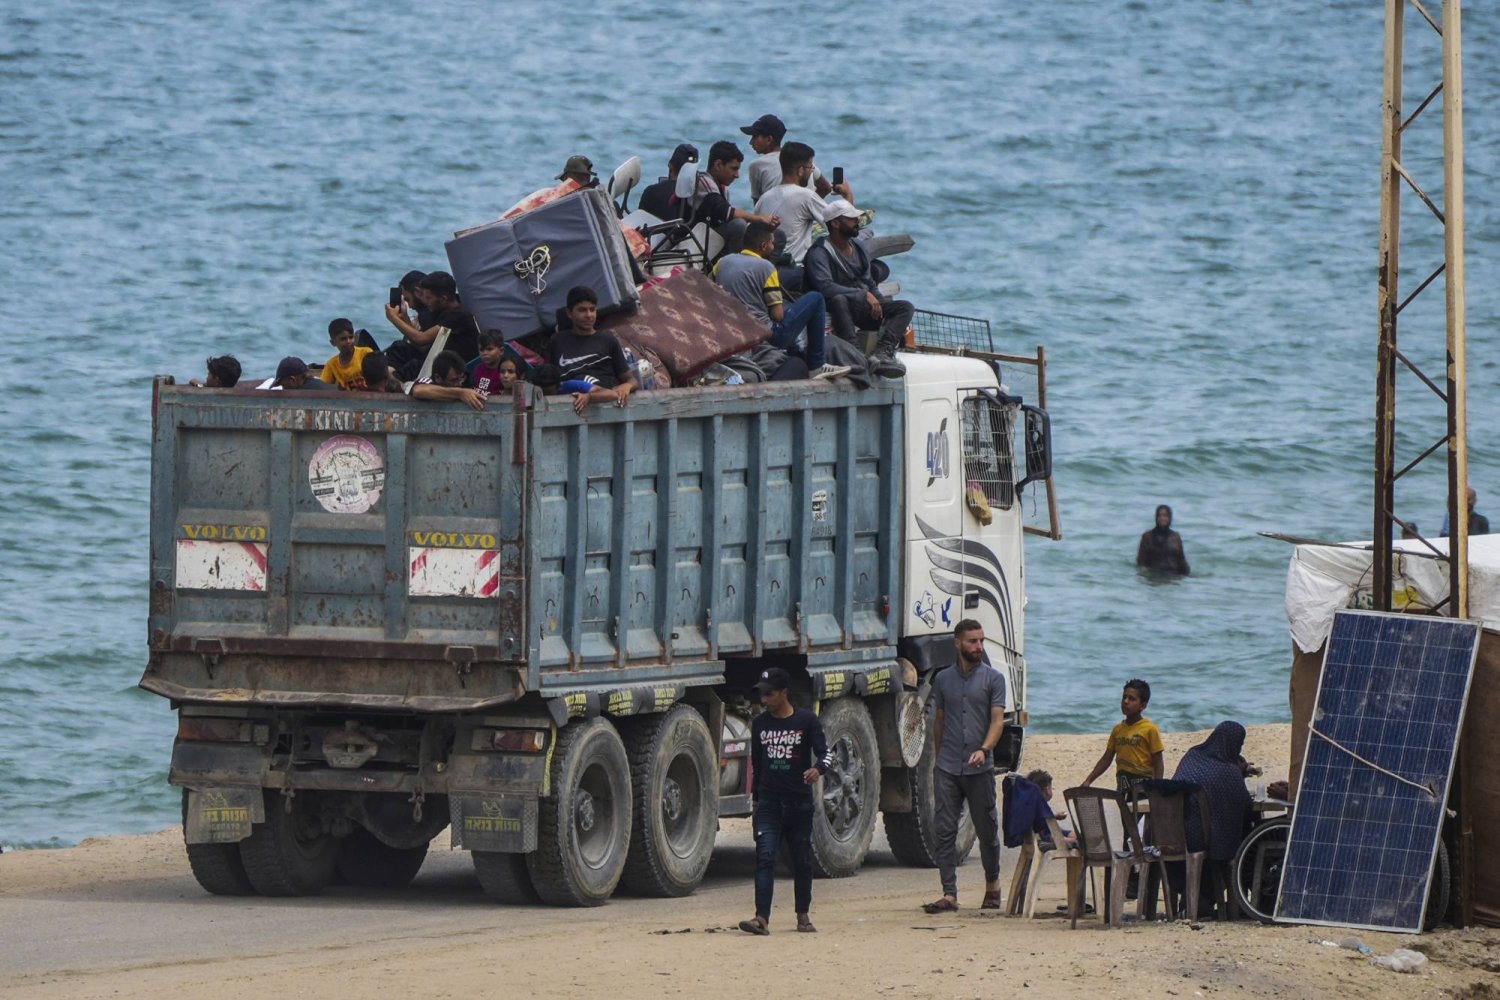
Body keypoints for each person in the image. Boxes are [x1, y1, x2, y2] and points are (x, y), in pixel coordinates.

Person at [921, 619, 1006, 914]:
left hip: (979, 768)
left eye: (981, 640)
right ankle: (949, 893)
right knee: (943, 830)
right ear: (957, 643)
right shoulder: (943, 679)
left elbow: (997, 721)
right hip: (947, 767)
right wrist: (938, 758)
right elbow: (939, 720)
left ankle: (993, 886)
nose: (978, 646)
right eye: (972, 641)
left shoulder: (994, 679)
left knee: (986, 830)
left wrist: (985, 749)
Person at [739, 666, 831, 936]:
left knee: (801, 860)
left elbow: (826, 754)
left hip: (799, 804)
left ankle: (803, 915)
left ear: (783, 693)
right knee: (764, 858)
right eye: (761, 695)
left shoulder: (807, 722)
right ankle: (761, 918)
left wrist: (818, 770)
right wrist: (756, 803)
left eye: (769, 694)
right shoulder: (760, 725)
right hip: (769, 804)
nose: (764, 700)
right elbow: (757, 765)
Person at [712, 222, 850, 381]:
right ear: (763, 246)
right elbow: (777, 316)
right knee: (815, 298)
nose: (774, 246)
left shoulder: (723, 262)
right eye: (771, 242)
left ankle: (798, 355)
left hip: (732, 328)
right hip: (765, 334)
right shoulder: (766, 267)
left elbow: (711, 288)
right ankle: (816, 365)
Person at [804, 200, 911, 378]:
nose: (857, 223)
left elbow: (867, 281)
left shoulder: (858, 247)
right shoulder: (819, 252)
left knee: (905, 307)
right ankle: (856, 353)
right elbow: (825, 286)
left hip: (863, 307)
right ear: (836, 223)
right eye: (852, 219)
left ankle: (883, 352)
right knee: (839, 300)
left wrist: (878, 300)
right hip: (840, 308)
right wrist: (862, 295)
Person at [1171, 721, 1253, 915]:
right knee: (1241, 836)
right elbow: (1245, 806)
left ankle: (1193, 900)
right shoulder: (1229, 771)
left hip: (1173, 835)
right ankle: (1236, 901)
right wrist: (1240, 774)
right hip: (1205, 842)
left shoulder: (1192, 755)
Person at [754, 142, 851, 266]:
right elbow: (842, 226)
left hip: (768, 267)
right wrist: (848, 195)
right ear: (800, 170)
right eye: (811, 167)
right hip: (797, 269)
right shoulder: (805, 196)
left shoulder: (763, 199)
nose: (811, 172)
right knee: (866, 236)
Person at [549, 285, 637, 416]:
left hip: (608, 410)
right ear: (569, 313)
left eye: (592, 309)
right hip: (570, 412)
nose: (589, 315)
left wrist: (627, 386)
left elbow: (631, 379)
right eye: (582, 310)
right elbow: (554, 383)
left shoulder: (608, 340)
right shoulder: (557, 341)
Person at [383, 271, 480, 380]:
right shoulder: (444, 309)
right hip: (438, 359)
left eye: (429, 298)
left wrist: (393, 318)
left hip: (454, 369)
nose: (425, 301)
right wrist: (404, 318)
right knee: (400, 348)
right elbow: (423, 345)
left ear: (443, 299)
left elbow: (421, 339)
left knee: (414, 366)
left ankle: (389, 383)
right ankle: (386, 376)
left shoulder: (458, 316)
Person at [686, 141, 780, 252]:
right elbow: (725, 212)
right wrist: (759, 218)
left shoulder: (722, 190)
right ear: (718, 165)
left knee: (772, 234)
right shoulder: (703, 182)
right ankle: (735, 264)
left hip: (713, 240)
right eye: (734, 169)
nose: (737, 175)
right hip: (697, 243)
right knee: (738, 225)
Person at [1080, 678, 1164, 796]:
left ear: (1143, 705)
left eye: (1132, 699)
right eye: (1124, 697)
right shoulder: (1118, 730)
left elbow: (1158, 762)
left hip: (1144, 787)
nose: (1125, 701)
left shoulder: (1150, 729)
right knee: (1125, 814)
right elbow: (1106, 759)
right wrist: (1089, 780)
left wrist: (1157, 787)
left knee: (1143, 813)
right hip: (1123, 786)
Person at [740, 114, 838, 202]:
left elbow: (758, 206)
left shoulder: (757, 165)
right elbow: (826, 188)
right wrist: (809, 209)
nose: (751, 142)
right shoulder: (800, 158)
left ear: (769, 139)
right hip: (807, 219)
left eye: (755, 137)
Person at [407, 350, 485, 411]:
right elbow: (418, 390)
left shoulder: (467, 381)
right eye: (454, 380)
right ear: (438, 378)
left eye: (461, 378)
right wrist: (459, 393)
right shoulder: (427, 382)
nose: (459, 383)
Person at [638, 143, 698, 221]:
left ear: (670, 167)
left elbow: (638, 225)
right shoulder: (698, 198)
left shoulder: (650, 192)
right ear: (693, 172)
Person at [320, 318, 374, 390]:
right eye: (343, 339)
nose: (348, 341)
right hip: (347, 400)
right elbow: (322, 387)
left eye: (351, 337)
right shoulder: (331, 364)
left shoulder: (366, 353)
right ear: (333, 342)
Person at [1137, 504, 1191, 574]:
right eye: (1159, 516)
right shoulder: (1147, 536)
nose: (1162, 518)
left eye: (1165, 516)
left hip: (1174, 575)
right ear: (1156, 518)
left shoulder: (1175, 537)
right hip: (1154, 575)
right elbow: (1141, 561)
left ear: (1170, 518)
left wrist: (1188, 574)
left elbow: (1181, 560)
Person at [468, 330, 507, 398]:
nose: (485, 353)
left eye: (489, 349)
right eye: (481, 350)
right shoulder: (478, 369)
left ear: (501, 351)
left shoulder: (505, 372)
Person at [255, 356, 330, 391]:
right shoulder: (322, 384)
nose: (283, 389)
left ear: (292, 381)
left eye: (283, 385)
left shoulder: (303, 396)